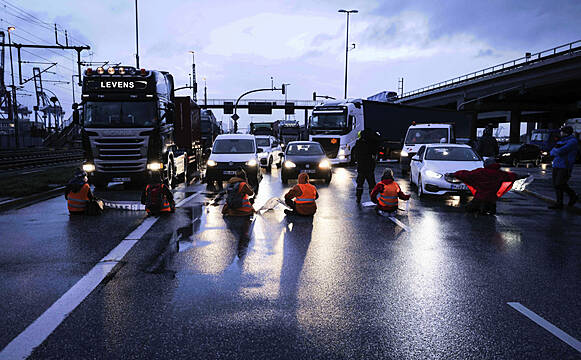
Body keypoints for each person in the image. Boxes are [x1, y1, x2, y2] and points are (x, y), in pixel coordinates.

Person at [447, 158, 523, 215]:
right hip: (492, 199)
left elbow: (465, 174)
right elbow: (513, 176)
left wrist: (453, 174)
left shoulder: (480, 172)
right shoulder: (500, 174)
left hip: (479, 198)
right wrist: (524, 176)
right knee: (490, 214)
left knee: (469, 210)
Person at [548, 125, 578, 209]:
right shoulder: (561, 141)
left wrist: (555, 151)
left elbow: (560, 151)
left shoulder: (572, 141)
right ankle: (559, 203)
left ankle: (573, 195)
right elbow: (552, 152)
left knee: (559, 183)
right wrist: (555, 151)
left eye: (562, 131)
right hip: (556, 164)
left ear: (566, 133)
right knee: (556, 184)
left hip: (565, 165)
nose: (560, 133)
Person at [352, 129, 378, 203]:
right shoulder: (371, 144)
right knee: (371, 185)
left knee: (360, 184)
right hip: (369, 167)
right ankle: (373, 198)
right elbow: (374, 152)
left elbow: (356, 155)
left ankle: (358, 198)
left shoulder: (358, 144)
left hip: (361, 168)